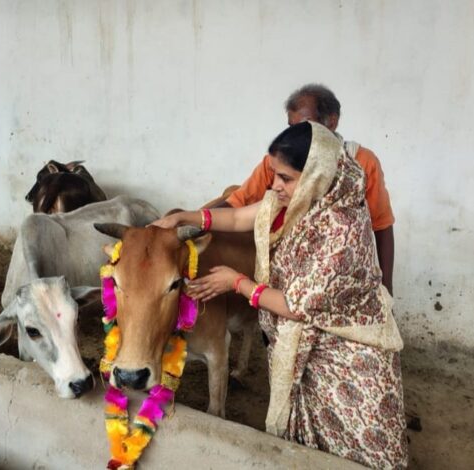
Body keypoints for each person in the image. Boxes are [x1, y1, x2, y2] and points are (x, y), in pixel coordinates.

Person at [153, 122, 408, 469]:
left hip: (347, 361)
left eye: (285, 178)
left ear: (316, 173)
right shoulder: (300, 199)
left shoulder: (341, 229)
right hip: (303, 347)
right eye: (274, 174)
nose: (274, 186)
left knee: (354, 449)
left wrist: (237, 283)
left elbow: (295, 306)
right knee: (307, 449)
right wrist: (185, 216)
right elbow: (240, 217)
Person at [213, 84, 396, 294]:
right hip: (285, 282)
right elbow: (236, 206)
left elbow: (382, 225)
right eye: (291, 127)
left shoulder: (362, 162)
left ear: (332, 122)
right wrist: (190, 225)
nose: (295, 134)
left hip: (333, 285)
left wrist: (387, 289)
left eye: (305, 126)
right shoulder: (278, 163)